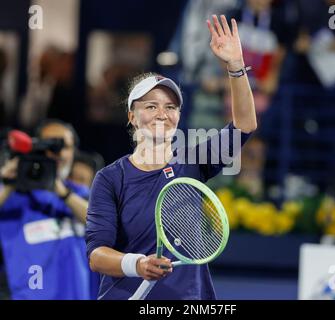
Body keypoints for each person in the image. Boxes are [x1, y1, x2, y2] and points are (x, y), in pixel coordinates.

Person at [86, 15, 257, 300]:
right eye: (150, 106)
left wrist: (236, 67)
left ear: (178, 116)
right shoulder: (110, 178)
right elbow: (97, 255)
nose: (161, 114)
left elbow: (245, 125)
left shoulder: (195, 161)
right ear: (132, 116)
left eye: (170, 107)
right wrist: (138, 265)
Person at [0, 119, 98, 299]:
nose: (58, 153)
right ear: (36, 147)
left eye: (65, 146)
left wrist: (63, 193)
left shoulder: (79, 193)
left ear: (73, 153)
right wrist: (7, 182)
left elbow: (102, 222)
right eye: (51, 145)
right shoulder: (13, 195)